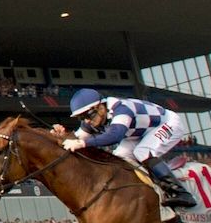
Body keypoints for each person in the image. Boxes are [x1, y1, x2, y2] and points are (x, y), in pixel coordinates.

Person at [55, 88, 197, 208]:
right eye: (81, 118)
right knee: (119, 158)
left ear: (100, 107)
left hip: (168, 123)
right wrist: (61, 136)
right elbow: (76, 138)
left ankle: (181, 193)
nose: (86, 121)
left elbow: (115, 136)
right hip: (139, 134)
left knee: (142, 152)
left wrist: (82, 143)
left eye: (87, 115)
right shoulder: (92, 120)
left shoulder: (122, 109)